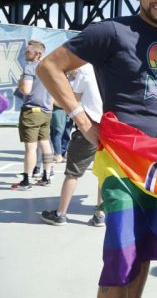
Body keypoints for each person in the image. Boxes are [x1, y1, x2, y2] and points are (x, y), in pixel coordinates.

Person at [37, 0, 157, 298]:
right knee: (122, 257)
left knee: (143, 252)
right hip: (124, 163)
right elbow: (49, 67)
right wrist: (84, 121)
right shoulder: (112, 31)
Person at [40, 64, 105, 227]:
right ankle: (100, 214)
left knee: (72, 173)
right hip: (109, 127)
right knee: (104, 173)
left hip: (88, 127)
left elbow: (72, 99)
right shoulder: (111, 68)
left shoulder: (86, 68)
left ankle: (61, 214)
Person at [11, 40, 55, 190]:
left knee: (30, 148)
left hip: (31, 112)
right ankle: (46, 176)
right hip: (46, 111)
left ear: (38, 54)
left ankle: (26, 181)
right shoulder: (50, 68)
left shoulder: (30, 68)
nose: (25, 54)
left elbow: (27, 90)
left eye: (28, 51)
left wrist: (21, 83)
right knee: (45, 144)